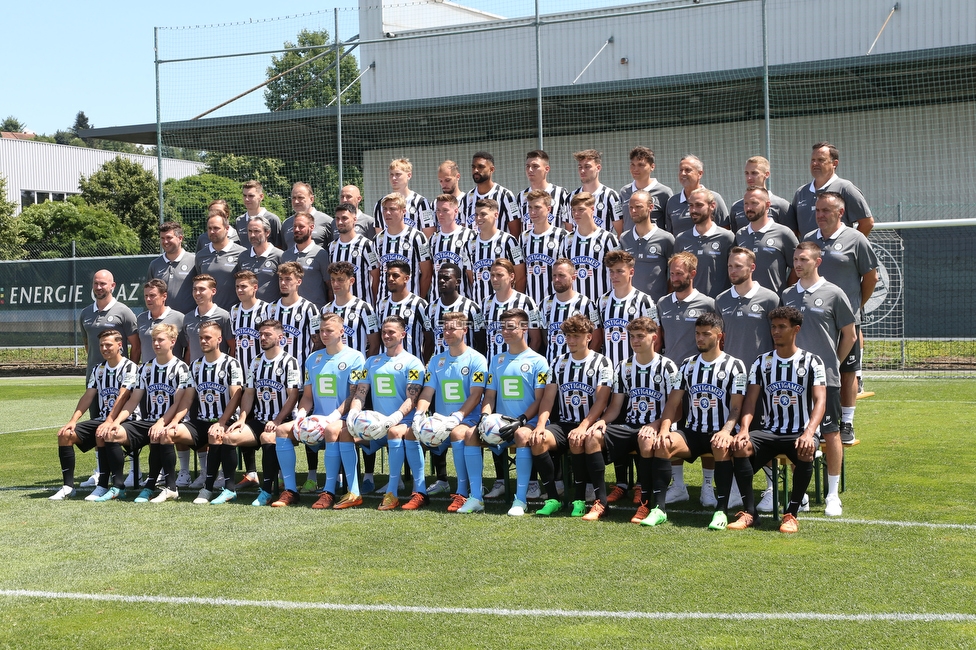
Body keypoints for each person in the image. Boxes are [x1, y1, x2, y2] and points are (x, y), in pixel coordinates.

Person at [719, 306, 827, 534]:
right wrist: (744, 429)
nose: (775, 331)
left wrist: (809, 433)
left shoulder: (812, 362)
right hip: (769, 431)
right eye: (773, 327)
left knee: (806, 450)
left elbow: (820, 401)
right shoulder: (761, 362)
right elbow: (750, 401)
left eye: (781, 327)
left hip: (800, 431)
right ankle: (749, 513)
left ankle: (792, 513)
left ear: (796, 329)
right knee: (740, 446)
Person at [641, 313, 748, 526]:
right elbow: (672, 404)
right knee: (663, 444)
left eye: (706, 334)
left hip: (720, 430)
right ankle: (659, 509)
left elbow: (736, 408)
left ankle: (721, 510)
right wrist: (664, 429)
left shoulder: (735, 366)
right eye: (697, 333)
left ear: (720, 336)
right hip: (693, 431)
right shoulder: (687, 365)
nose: (700, 338)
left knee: (720, 445)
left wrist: (726, 431)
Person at [781, 241, 857, 517]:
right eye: (795, 260)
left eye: (803, 259)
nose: (798, 264)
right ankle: (800, 496)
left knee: (830, 433)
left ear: (817, 261)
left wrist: (832, 364)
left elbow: (849, 334)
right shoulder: (787, 295)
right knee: (794, 432)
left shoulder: (834, 293)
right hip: (792, 379)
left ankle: (832, 495)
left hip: (826, 380)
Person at [802, 191, 878, 445]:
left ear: (840, 213)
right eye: (817, 211)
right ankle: (808, 422)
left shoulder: (856, 239)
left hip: (844, 322)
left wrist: (854, 307)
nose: (820, 215)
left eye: (826, 210)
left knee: (845, 372)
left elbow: (871, 278)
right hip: (815, 318)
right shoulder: (809, 239)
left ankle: (847, 422)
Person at [588, 317, 681, 522]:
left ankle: (645, 504)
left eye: (640, 336)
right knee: (593, 436)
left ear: (654, 337)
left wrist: (655, 424)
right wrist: (602, 421)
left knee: (646, 439)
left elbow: (677, 410)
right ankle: (601, 503)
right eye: (632, 337)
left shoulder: (668, 367)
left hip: (659, 425)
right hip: (630, 424)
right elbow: (615, 407)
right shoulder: (624, 367)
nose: (635, 341)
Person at [273, 313, 367, 510]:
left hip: (342, 419)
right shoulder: (313, 359)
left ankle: (328, 491)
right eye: (321, 330)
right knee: (282, 430)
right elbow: (307, 396)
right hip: (316, 419)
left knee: (333, 429)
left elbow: (354, 395)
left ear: (341, 332)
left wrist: (332, 417)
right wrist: (300, 416)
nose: (323, 334)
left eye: (329, 330)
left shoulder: (356, 357)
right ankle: (290, 490)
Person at [465, 308, 552, 514]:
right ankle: (476, 498)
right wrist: (485, 417)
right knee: (470, 434)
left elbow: (540, 401)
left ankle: (520, 500)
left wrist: (521, 421)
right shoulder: (496, 360)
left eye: (510, 327)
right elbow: (490, 396)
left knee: (522, 435)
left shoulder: (538, 361)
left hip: (526, 423)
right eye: (503, 327)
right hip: (500, 424)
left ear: (524, 329)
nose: (505, 331)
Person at [528, 315, 614, 520]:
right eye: (567, 335)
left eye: (576, 336)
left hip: (592, 424)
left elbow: (601, 401)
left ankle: (578, 500)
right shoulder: (558, 362)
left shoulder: (602, 362)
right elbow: (548, 399)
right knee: (537, 440)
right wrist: (540, 424)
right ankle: (552, 499)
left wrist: (584, 426)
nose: (571, 340)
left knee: (579, 439)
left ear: (589, 337)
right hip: (564, 423)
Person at [347, 316, 428, 511]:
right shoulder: (372, 361)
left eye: (391, 332)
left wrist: (395, 418)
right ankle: (352, 491)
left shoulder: (413, 362)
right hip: (377, 424)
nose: (386, 336)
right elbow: (360, 392)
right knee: (342, 433)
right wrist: (353, 412)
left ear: (403, 334)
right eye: (384, 332)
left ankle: (397, 491)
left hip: (404, 423)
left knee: (394, 432)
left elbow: (412, 398)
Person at [106, 323, 192, 503]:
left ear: (173, 342)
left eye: (161, 339)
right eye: (154, 340)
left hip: (174, 420)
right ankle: (118, 487)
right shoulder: (145, 368)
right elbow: (133, 400)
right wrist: (116, 420)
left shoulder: (181, 368)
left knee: (160, 434)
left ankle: (161, 486)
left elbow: (178, 403)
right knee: (113, 434)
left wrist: (162, 422)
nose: (156, 343)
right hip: (150, 421)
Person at [50, 330, 140, 501]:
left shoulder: (130, 367)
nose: (104, 348)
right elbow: (88, 396)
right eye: (101, 345)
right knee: (65, 435)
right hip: (102, 419)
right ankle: (68, 487)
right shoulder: (98, 369)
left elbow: (123, 396)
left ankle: (103, 485)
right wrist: (73, 421)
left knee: (105, 432)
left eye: (108, 345)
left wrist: (109, 421)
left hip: (126, 420)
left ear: (120, 345)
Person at [413, 311, 489, 512]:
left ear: (464, 330)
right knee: (410, 432)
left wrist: (458, 416)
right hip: (440, 421)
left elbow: (476, 395)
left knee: (457, 432)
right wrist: (419, 415)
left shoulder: (477, 359)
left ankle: (463, 492)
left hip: (468, 419)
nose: (447, 332)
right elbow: (427, 392)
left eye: (452, 328)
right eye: (444, 328)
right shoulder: (437, 360)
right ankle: (419, 492)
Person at [226, 318, 303, 506]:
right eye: (261, 334)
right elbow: (249, 393)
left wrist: (277, 420)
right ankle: (229, 491)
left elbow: (293, 396)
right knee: (229, 437)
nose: (263, 337)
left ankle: (266, 491)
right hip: (260, 420)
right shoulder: (256, 361)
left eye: (267, 334)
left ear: (280, 337)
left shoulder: (289, 362)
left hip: (284, 422)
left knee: (268, 438)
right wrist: (242, 418)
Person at [175, 321, 244, 504]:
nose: (203, 341)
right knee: (168, 433)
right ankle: (168, 487)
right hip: (201, 420)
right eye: (201, 338)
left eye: (208, 337)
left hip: (226, 419)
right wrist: (175, 421)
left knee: (215, 434)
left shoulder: (231, 364)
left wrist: (222, 421)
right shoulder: (196, 365)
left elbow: (236, 397)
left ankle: (208, 488)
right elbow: (188, 399)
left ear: (219, 339)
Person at [228, 270, 270, 490]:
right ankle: (251, 472)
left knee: (267, 422)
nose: (240, 290)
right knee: (243, 421)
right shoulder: (233, 311)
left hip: (265, 377)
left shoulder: (267, 309)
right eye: (237, 287)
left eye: (244, 286)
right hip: (242, 378)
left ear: (255, 287)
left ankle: (276, 472)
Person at [787, 142, 874, 237]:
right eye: (813, 160)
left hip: (836, 251)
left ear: (834, 163)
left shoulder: (845, 188)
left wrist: (849, 244)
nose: (815, 164)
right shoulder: (801, 192)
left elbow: (867, 223)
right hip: (808, 251)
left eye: (821, 160)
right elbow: (795, 228)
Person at [716, 247, 780, 368]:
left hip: (762, 370)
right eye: (730, 266)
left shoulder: (770, 298)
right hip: (731, 371)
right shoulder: (721, 300)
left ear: (752, 268)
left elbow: (778, 339)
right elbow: (720, 340)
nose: (733, 271)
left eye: (738, 266)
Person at [656, 252, 718, 372]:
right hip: (669, 371)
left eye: (679, 274)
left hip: (697, 371)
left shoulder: (708, 304)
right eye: (672, 274)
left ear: (692, 274)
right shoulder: (662, 303)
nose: (674, 279)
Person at [599, 250, 659, 369]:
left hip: (635, 370)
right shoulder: (602, 301)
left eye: (620, 271)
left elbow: (656, 339)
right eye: (611, 271)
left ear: (631, 272)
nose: (614, 276)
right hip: (609, 370)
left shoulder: (645, 300)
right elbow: (601, 337)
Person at [734, 187, 798, 295]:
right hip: (745, 303)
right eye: (746, 204)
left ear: (768, 205)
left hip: (775, 303)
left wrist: (787, 291)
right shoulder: (740, 235)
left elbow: (797, 266)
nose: (749, 208)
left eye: (754, 203)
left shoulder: (784, 233)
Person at [673, 187, 735, 299]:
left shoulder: (727, 238)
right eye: (691, 205)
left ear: (712, 206)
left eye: (699, 205)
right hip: (690, 306)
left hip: (718, 306)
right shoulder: (681, 239)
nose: (693, 210)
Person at [80, 270, 139, 384]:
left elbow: (136, 346)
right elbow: (88, 345)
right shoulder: (85, 313)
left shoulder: (124, 312)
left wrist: (131, 372)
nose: (98, 287)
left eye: (103, 283)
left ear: (113, 286)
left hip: (119, 377)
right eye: (95, 283)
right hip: (93, 375)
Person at [374, 193, 434, 304]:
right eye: (385, 209)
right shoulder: (378, 239)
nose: (387, 213)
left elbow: (427, 273)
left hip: (410, 304)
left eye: (392, 209)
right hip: (384, 304)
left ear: (403, 211)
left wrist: (416, 300)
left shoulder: (418, 237)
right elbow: (376, 274)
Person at [559, 191, 620, 300]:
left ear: (592, 209)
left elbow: (619, 271)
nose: (576, 214)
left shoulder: (608, 239)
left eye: (581, 209)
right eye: (574, 210)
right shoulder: (567, 240)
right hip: (576, 306)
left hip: (602, 304)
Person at [539, 258, 601, 361]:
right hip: (552, 368)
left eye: (561, 275)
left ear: (573, 277)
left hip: (578, 369)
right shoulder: (545, 303)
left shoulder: (587, 304)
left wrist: (585, 362)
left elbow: (597, 340)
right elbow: (545, 338)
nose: (557, 279)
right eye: (554, 276)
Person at [468, 198, 527, 305]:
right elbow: (471, 277)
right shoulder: (469, 244)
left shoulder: (509, 241)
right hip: (480, 307)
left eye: (483, 214)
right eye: (476, 215)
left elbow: (520, 276)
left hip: (506, 306)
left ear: (496, 215)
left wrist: (516, 303)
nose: (478, 218)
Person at [620, 189, 674, 302]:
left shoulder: (666, 239)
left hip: (656, 305)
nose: (634, 210)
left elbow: (675, 272)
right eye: (630, 207)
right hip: (630, 305)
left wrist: (664, 298)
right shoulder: (624, 239)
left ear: (651, 207)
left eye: (638, 207)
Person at [483, 259, 542, 361]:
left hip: (519, 365)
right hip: (493, 367)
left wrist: (525, 362)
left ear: (511, 277)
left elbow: (536, 339)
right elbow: (482, 338)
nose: (495, 279)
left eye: (499, 275)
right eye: (492, 275)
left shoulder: (527, 302)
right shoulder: (485, 302)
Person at [520, 189, 569, 306]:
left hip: (556, 302)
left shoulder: (562, 235)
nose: (532, 212)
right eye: (530, 208)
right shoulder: (523, 237)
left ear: (548, 209)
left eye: (537, 207)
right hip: (532, 303)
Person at [376, 261, 432, 362]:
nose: (390, 279)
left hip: (411, 367)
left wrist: (421, 361)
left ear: (406, 278)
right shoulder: (381, 304)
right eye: (388, 275)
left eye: (395, 275)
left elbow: (430, 338)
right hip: (385, 366)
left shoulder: (419, 304)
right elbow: (378, 336)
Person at [426, 262, 485, 357]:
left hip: (465, 365)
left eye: (446, 278)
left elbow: (481, 341)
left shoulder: (472, 307)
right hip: (440, 365)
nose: (441, 281)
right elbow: (431, 338)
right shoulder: (429, 308)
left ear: (457, 282)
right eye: (439, 278)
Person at [323, 261, 380, 358]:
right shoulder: (325, 309)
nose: (335, 284)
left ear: (351, 281)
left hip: (356, 370)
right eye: (333, 280)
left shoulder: (364, 308)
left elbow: (375, 345)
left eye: (340, 280)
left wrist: (363, 366)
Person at [458, 152, 521, 238]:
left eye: (480, 167)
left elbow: (516, 232)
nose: (476, 170)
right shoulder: (466, 198)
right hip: (474, 250)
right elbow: (464, 230)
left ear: (491, 169)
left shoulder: (506, 195)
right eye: (473, 167)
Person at [329, 202, 381, 305]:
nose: (340, 222)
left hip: (362, 305)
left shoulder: (367, 245)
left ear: (354, 219)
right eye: (337, 219)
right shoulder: (332, 247)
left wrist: (373, 302)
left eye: (344, 218)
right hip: (339, 307)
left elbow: (376, 276)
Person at [427, 193, 475, 304]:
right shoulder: (433, 239)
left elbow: (472, 273)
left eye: (445, 210)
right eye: (438, 210)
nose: (440, 214)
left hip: (462, 301)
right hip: (437, 302)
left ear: (456, 211)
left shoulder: (470, 236)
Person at [194, 210, 246, 311]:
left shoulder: (241, 253)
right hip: (208, 314)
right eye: (209, 228)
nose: (212, 231)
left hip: (234, 312)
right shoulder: (201, 255)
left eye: (216, 228)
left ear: (227, 229)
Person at [665, 155, 730, 235]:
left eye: (687, 170)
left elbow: (725, 230)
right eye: (680, 170)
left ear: (699, 174)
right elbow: (670, 233)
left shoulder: (714, 198)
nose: (683, 173)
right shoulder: (672, 202)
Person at [372, 158, 436, 239]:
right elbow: (380, 236)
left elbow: (429, 235)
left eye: (398, 174)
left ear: (409, 175)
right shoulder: (380, 204)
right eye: (391, 174)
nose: (394, 178)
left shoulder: (421, 202)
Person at [280, 212, 331, 308]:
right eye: (294, 226)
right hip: (291, 311)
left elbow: (330, 286)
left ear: (311, 227)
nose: (296, 229)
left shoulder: (320, 254)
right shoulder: (286, 255)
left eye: (301, 226)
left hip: (315, 311)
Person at [729, 156, 793, 232]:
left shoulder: (781, 206)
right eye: (746, 173)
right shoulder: (736, 207)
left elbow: (791, 237)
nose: (749, 177)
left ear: (767, 174)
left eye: (754, 173)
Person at [619, 145, 673, 232]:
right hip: (629, 244)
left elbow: (670, 224)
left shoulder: (664, 192)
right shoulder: (624, 192)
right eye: (633, 164)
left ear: (652, 167)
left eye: (641, 165)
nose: (635, 169)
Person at [569, 149, 623, 236]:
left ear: (598, 168)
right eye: (580, 167)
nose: (582, 171)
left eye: (587, 167)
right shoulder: (571, 196)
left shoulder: (610, 196)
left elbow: (620, 232)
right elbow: (569, 231)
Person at [516, 150, 572, 232]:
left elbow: (569, 225)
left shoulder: (561, 193)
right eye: (528, 166)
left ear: (547, 169)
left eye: (535, 166)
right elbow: (518, 227)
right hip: (528, 244)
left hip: (553, 244)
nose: (530, 170)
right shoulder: (521, 196)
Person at [148, 221, 197, 314]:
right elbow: (149, 293)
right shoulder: (155, 264)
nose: (165, 242)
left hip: (188, 319)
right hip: (163, 322)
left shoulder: (194, 261)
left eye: (169, 238)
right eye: (162, 238)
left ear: (180, 238)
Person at [136, 279, 185, 363]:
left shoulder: (179, 318)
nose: (148, 299)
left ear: (164, 296)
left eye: (152, 295)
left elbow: (189, 348)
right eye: (146, 296)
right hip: (147, 373)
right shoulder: (141, 318)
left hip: (171, 373)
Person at [237, 215, 283, 302]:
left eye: (257, 231)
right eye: (250, 231)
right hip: (249, 311)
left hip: (271, 311)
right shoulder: (243, 257)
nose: (252, 235)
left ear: (267, 232)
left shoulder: (279, 256)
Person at [282, 182, 334, 250]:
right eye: (293, 198)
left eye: (300, 197)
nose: (296, 201)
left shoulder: (327, 221)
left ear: (311, 199)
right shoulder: (286, 224)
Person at [234, 180, 283, 248]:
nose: (247, 199)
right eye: (245, 196)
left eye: (251, 196)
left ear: (261, 196)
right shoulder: (239, 221)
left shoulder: (272, 219)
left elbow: (279, 247)